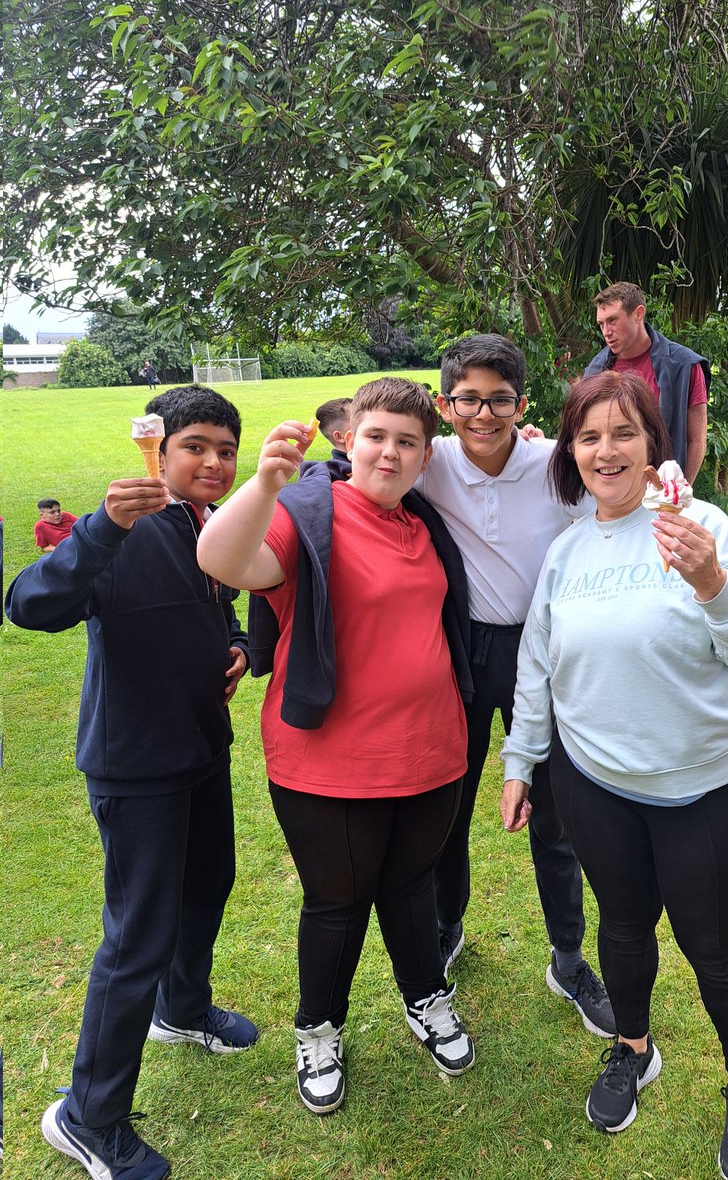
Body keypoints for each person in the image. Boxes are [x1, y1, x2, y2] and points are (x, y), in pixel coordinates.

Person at [500, 371, 728, 1180]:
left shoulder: (698, 526)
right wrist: (521, 760)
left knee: (713, 944)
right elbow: (538, 668)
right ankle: (633, 1049)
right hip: (597, 784)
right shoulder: (565, 552)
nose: (605, 450)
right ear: (571, 453)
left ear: (652, 444)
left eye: (623, 432)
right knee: (622, 929)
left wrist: (711, 582)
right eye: (588, 436)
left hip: (709, 785)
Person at [196, 377, 475, 1116]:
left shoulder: (425, 520)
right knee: (338, 902)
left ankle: (426, 997)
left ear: (424, 457)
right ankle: (318, 1030)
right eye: (376, 435)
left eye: (407, 442)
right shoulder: (307, 514)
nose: (389, 452)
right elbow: (225, 562)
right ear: (348, 436)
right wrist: (260, 485)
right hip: (330, 763)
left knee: (412, 887)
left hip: (432, 752)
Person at [6, 384, 257, 1180]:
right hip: (135, 764)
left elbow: (230, 609)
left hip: (199, 750)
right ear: (162, 449)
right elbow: (29, 605)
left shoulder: (213, 527)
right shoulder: (123, 530)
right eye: (197, 447)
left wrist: (243, 646)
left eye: (225, 448)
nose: (214, 462)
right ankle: (88, 1115)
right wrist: (100, 529)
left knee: (209, 883)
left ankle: (181, 1012)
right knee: (136, 935)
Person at [416, 333, 614, 1038]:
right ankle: (447, 926)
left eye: (499, 398)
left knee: (557, 817)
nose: (483, 413)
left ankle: (568, 957)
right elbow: (351, 475)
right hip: (462, 652)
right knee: (449, 804)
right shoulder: (427, 462)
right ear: (445, 405)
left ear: (521, 403)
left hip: (545, 651)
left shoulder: (554, 466)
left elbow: (608, 525)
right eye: (467, 398)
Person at [583, 282, 710, 482]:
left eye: (613, 320)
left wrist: (681, 491)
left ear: (638, 313)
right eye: (601, 324)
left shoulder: (684, 365)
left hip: (662, 489)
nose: (606, 331)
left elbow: (696, 440)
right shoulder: (595, 370)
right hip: (610, 487)